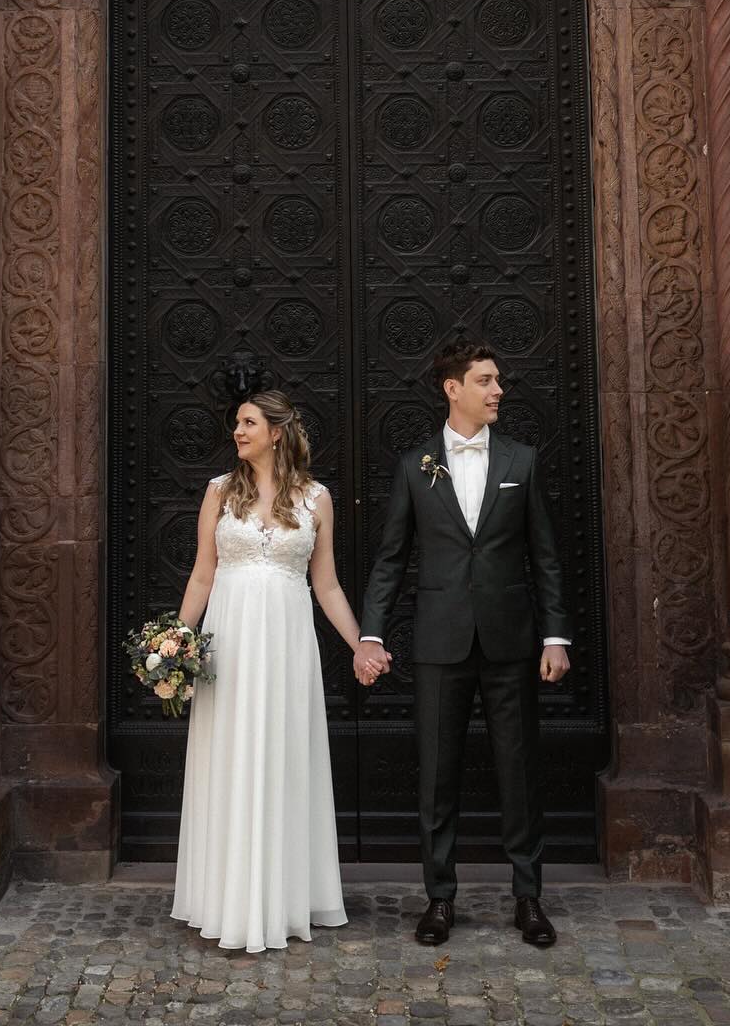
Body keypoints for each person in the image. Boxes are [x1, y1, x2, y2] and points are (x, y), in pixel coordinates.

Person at [359, 340, 570, 950]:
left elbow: (546, 559)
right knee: (436, 775)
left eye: (497, 380)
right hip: (439, 642)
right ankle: (439, 898)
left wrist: (555, 636)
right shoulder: (415, 465)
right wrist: (371, 631)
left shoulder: (522, 461)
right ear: (452, 388)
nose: (498, 389)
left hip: (511, 642)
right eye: (485, 380)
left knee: (519, 770)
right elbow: (392, 558)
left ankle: (528, 897)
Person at [173, 391, 359, 953]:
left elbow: (325, 583)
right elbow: (203, 575)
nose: (238, 431)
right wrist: (177, 639)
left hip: (285, 645)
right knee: (231, 754)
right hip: (230, 642)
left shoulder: (316, 498)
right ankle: (224, 901)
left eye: (249, 422)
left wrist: (359, 644)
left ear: (277, 432)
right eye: (236, 423)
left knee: (280, 755)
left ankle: (280, 899)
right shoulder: (218, 493)